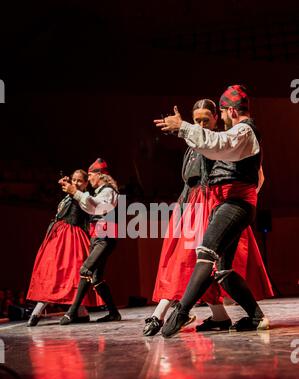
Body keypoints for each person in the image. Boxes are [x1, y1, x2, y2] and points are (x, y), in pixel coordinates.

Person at [145, 98, 272, 336]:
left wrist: (243, 198)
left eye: (213, 116)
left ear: (224, 114)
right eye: (197, 120)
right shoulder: (203, 142)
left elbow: (222, 147)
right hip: (216, 204)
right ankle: (254, 316)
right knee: (221, 270)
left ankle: (178, 313)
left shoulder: (238, 133)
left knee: (202, 256)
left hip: (227, 203)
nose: (203, 124)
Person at [26, 169, 103, 327]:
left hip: (71, 238)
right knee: (53, 272)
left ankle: (40, 311)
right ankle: (81, 312)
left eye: (79, 180)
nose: (75, 183)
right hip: (58, 236)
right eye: (74, 180)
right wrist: (66, 185)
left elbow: (82, 203)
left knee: (70, 274)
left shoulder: (84, 197)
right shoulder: (71, 194)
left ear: (86, 183)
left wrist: (70, 187)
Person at [59, 158, 121, 325]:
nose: (90, 178)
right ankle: (114, 313)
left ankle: (71, 312)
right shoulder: (99, 192)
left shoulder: (108, 191)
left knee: (86, 269)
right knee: (96, 277)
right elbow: (88, 206)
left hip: (104, 238)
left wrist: (76, 192)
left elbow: (96, 206)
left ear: (99, 175)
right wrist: (73, 191)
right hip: (98, 236)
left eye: (91, 175)